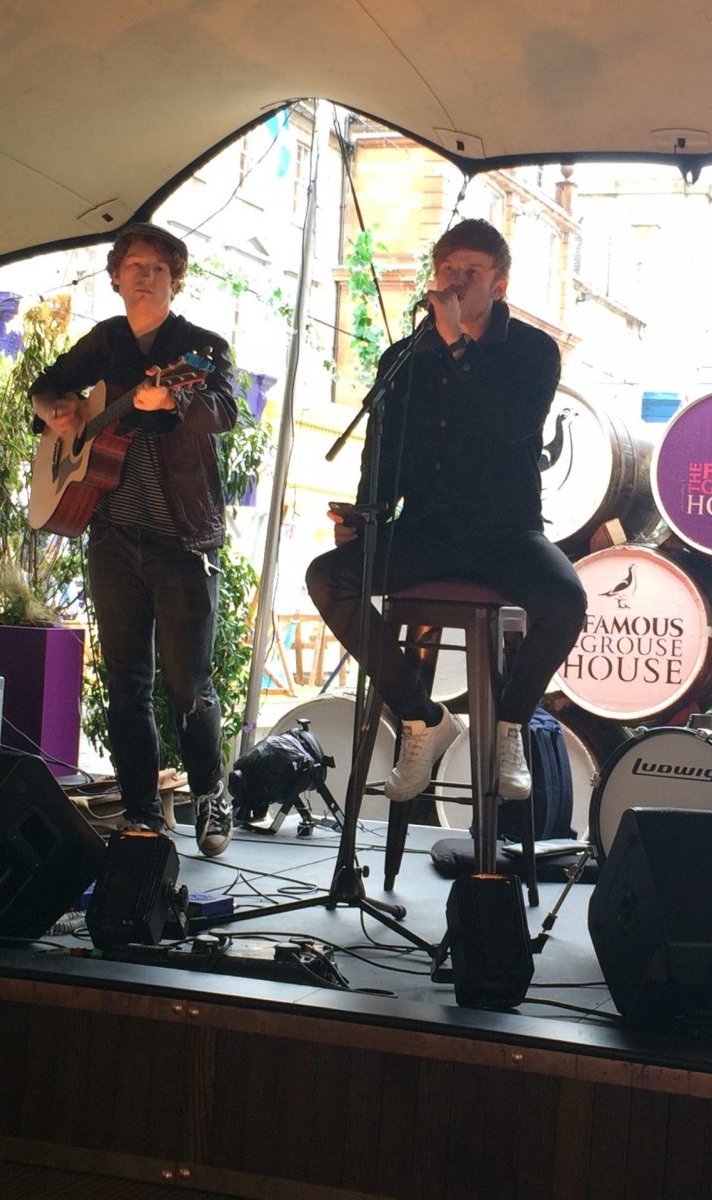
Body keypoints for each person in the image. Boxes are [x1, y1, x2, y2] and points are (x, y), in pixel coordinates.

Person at [306, 218, 588, 808]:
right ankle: (420, 717)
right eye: (447, 270)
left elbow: (513, 425)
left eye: (472, 272)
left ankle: (509, 726)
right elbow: (383, 449)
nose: (456, 281)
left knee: (565, 600)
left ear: (499, 286)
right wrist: (366, 515)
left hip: (506, 531)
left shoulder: (533, 351)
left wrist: (459, 343)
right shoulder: (407, 356)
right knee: (328, 577)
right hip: (427, 529)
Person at [30, 223, 242, 855]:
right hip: (112, 534)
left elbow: (225, 410)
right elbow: (46, 386)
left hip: (182, 536)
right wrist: (55, 412)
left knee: (188, 684)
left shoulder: (200, 347)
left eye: (158, 268)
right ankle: (142, 812)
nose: (145, 277)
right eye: (135, 266)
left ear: (175, 281)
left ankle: (210, 794)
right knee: (125, 682)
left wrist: (170, 404)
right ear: (117, 278)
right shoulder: (106, 341)